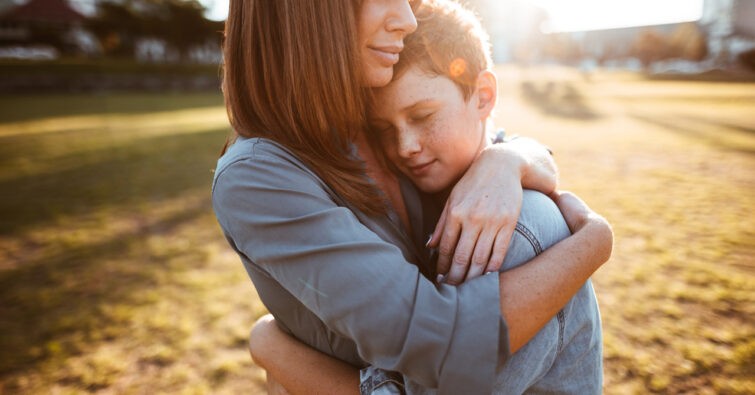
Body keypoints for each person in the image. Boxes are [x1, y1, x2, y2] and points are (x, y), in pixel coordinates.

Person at [213, 0, 613, 394]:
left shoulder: (371, 120)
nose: (406, 18)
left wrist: (506, 159)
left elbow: (491, 133)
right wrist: (592, 242)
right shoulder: (259, 175)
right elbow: (440, 342)